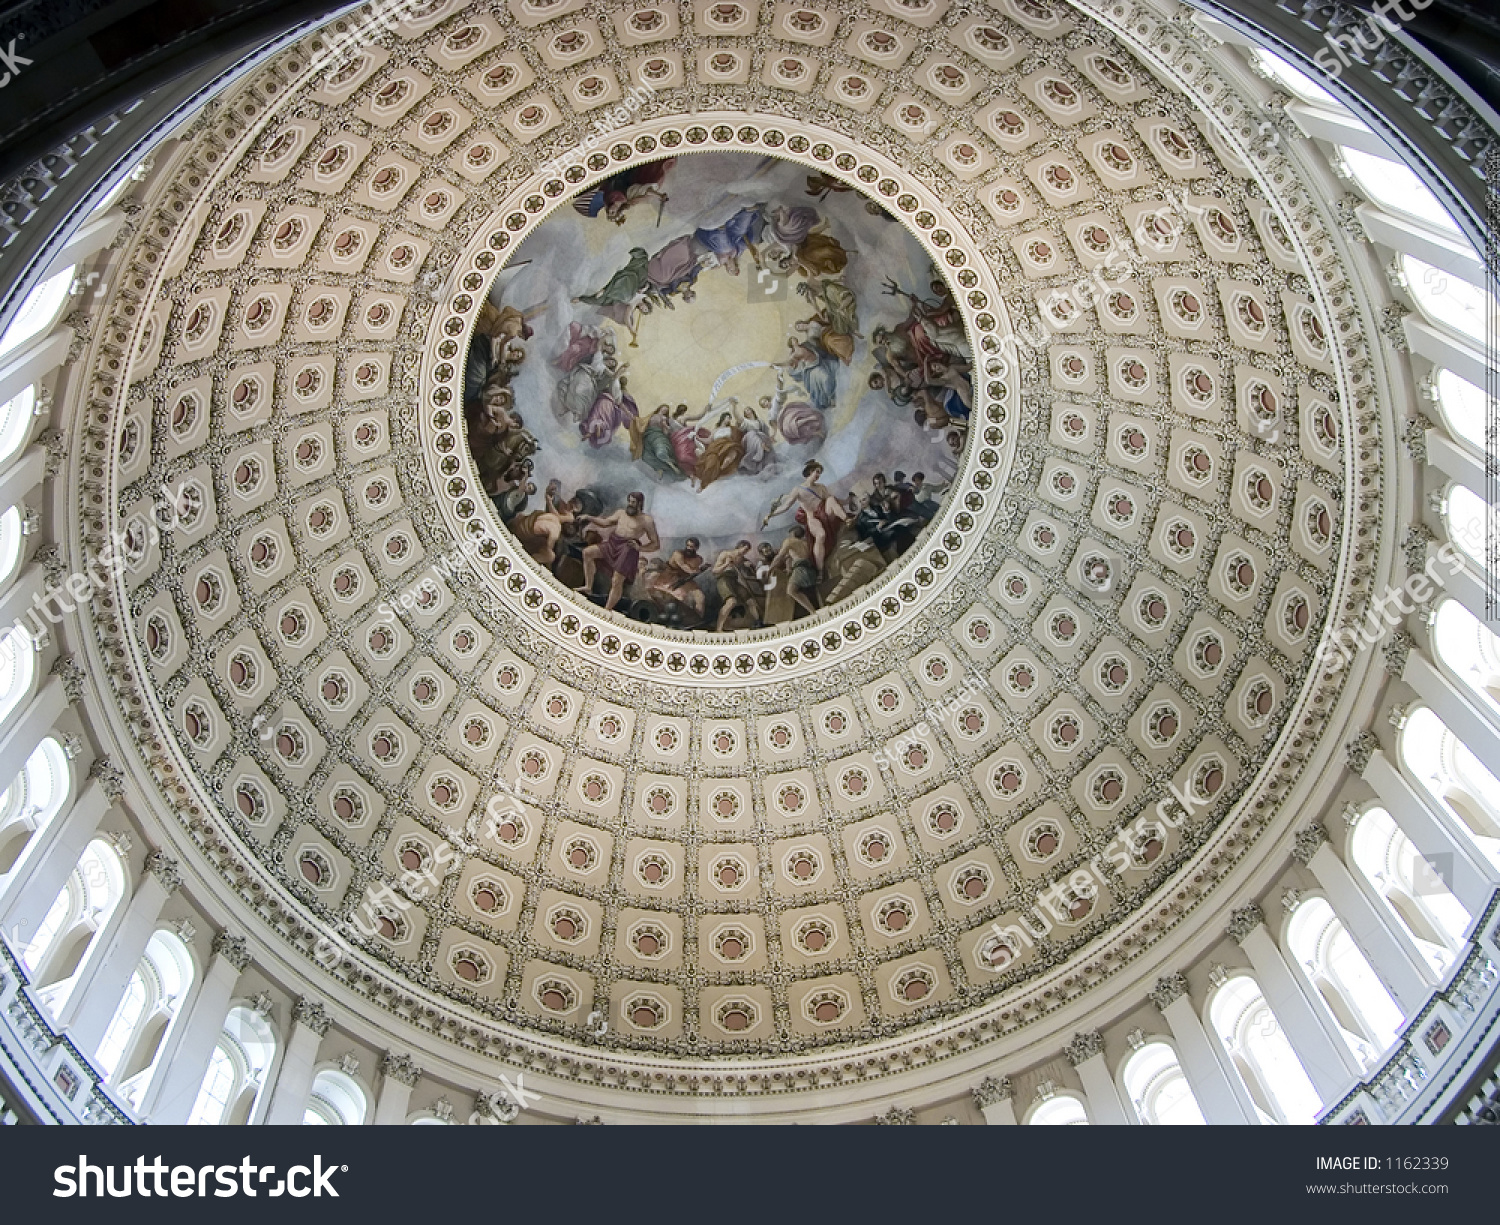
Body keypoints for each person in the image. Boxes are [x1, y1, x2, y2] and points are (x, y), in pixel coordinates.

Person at [576, 491, 660, 611]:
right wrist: (589, 517)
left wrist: (640, 548)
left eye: (633, 502)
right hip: (613, 543)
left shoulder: (646, 520)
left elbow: (655, 544)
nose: (630, 504)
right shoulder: (621, 513)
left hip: (628, 549)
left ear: (640, 504)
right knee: (587, 553)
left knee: (617, 580)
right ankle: (588, 586)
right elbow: (605, 523)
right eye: (629, 501)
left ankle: (607, 608)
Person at [762, 460, 848, 572]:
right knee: (821, 535)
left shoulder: (821, 487)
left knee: (831, 499)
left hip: (825, 514)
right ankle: (820, 570)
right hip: (813, 517)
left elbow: (833, 501)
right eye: (817, 472)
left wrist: (847, 501)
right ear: (810, 472)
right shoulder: (798, 490)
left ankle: (847, 520)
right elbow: (786, 506)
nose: (818, 475)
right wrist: (770, 515)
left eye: (819, 473)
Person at [770, 525, 820, 617]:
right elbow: (789, 557)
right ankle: (812, 610)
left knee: (791, 590)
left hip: (801, 569)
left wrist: (770, 569)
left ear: (792, 534)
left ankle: (812, 611)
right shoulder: (805, 542)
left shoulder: (789, 541)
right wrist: (788, 567)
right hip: (810, 570)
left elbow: (779, 557)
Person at [712, 540, 762, 631]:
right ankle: (719, 628)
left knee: (750, 600)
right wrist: (726, 564)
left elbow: (751, 571)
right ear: (740, 546)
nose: (745, 552)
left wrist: (750, 566)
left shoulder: (741, 558)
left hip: (734, 581)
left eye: (747, 551)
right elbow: (715, 571)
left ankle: (758, 622)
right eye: (745, 549)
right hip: (724, 580)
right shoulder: (725, 554)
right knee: (731, 602)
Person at [696, 408, 745, 490]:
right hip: (715, 447)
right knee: (711, 462)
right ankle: (704, 484)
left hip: (728, 444)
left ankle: (723, 467)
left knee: (732, 452)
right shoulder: (715, 430)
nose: (729, 419)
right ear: (723, 418)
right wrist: (699, 438)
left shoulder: (732, 429)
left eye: (730, 418)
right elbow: (709, 440)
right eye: (728, 417)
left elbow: (739, 433)